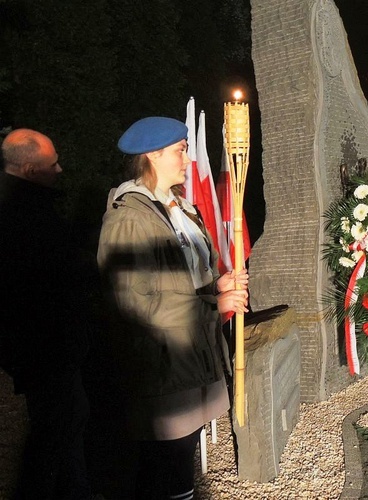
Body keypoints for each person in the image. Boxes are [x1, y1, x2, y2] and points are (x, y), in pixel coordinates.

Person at [97, 117, 249, 499]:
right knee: (167, 467)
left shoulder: (181, 209)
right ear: (152, 155)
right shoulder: (131, 217)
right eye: (180, 150)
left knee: (182, 462)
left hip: (192, 354)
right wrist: (215, 305)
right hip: (163, 363)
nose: (187, 159)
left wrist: (219, 284)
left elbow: (187, 279)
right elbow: (136, 303)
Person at [0, 129, 93, 499]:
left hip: (43, 347)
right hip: (43, 346)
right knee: (52, 432)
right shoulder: (21, 216)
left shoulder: (28, 205)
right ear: (28, 168)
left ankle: (74, 489)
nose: (60, 169)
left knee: (65, 423)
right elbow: (44, 279)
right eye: (52, 163)